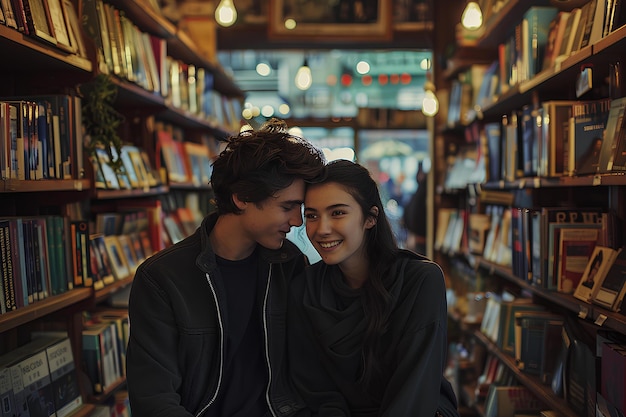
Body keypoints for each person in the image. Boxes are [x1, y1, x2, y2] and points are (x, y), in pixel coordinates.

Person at [126, 118, 326, 417]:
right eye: (287, 207)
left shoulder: (290, 264)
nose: (297, 222)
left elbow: (312, 371)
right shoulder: (163, 278)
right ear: (242, 197)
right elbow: (154, 399)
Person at [288, 159, 459, 417]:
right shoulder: (305, 288)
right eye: (311, 215)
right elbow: (315, 391)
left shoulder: (421, 280)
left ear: (370, 217)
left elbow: (415, 389)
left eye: (338, 213)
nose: (321, 229)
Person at [402, 161, 427, 254]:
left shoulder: (420, 192)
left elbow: (411, 213)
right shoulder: (421, 192)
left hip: (419, 238)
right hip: (419, 238)